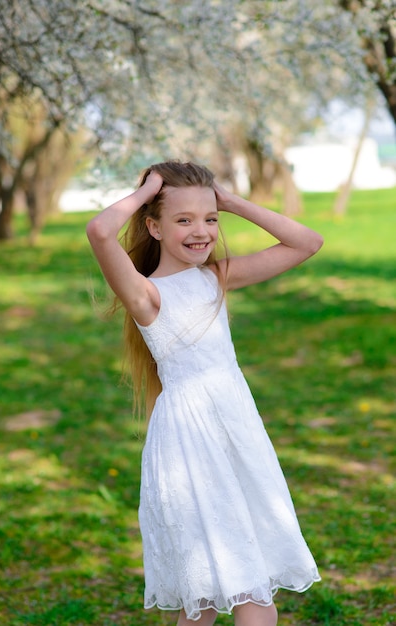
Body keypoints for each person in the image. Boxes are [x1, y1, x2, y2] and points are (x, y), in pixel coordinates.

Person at [86, 160, 323, 626]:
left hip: (237, 433)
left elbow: (307, 243)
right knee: (246, 599)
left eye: (210, 219)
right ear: (152, 226)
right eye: (183, 220)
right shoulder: (148, 295)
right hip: (191, 447)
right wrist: (144, 193)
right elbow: (99, 231)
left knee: (209, 602)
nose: (202, 231)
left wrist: (229, 200)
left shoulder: (214, 277)